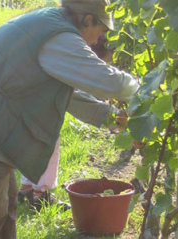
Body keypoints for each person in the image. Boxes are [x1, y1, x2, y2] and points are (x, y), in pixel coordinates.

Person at [0, 0, 140, 238]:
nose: (96, 40)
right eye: (100, 32)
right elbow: (112, 83)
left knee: (4, 208)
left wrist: (112, 118)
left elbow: (69, 95)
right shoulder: (61, 38)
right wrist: (146, 89)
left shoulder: (48, 24)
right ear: (87, 19)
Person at [18, 36, 119, 211]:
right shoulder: (67, 67)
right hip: (39, 106)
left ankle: (27, 189)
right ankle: (40, 197)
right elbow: (77, 100)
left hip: (26, 99)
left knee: (32, 146)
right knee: (47, 147)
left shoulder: (64, 53)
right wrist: (115, 119)